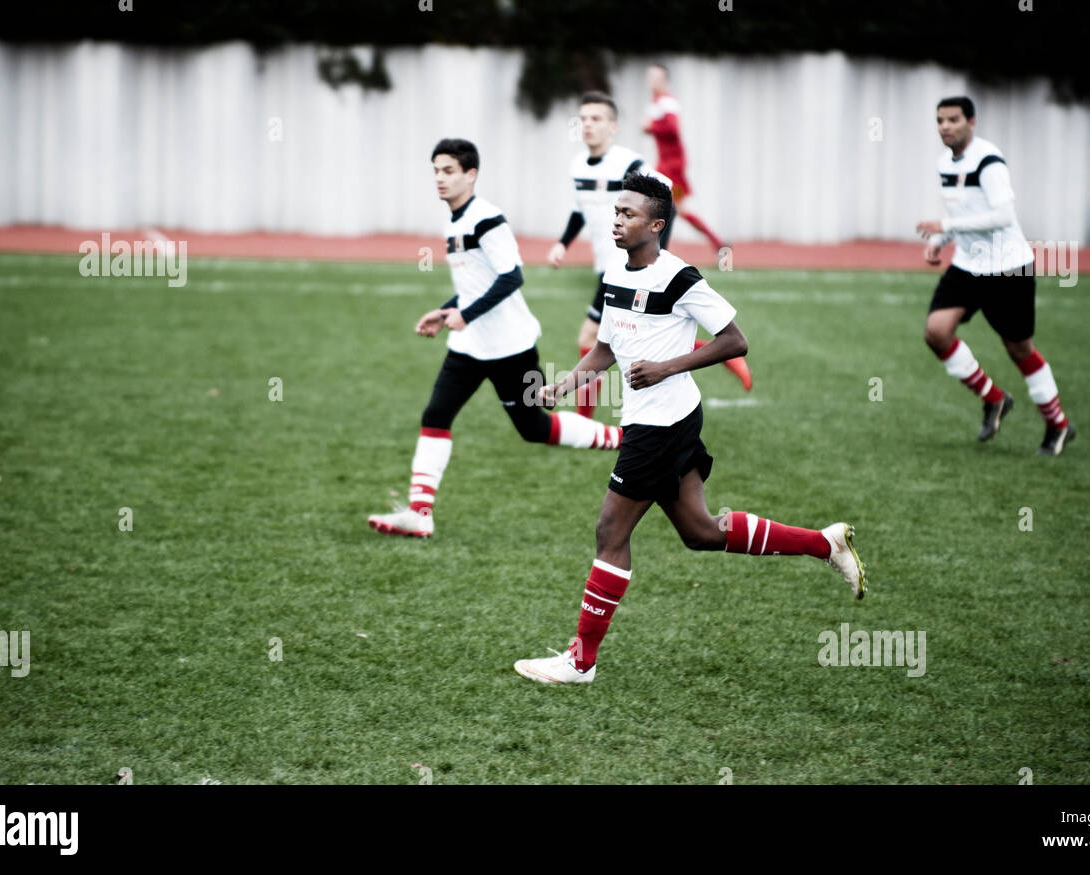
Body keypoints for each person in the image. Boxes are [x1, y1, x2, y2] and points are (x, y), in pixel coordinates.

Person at [514, 173, 865, 685]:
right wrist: (566, 384)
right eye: (616, 211)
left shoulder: (680, 278)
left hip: (661, 424)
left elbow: (735, 341)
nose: (617, 220)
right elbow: (608, 347)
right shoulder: (615, 272)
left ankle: (580, 662)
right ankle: (824, 544)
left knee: (610, 531)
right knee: (700, 532)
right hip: (659, 420)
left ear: (656, 225)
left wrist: (665, 367)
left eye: (629, 214)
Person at [367, 139, 622, 539]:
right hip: (469, 347)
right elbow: (474, 284)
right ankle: (420, 512)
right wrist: (445, 311)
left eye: (449, 170)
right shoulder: (453, 222)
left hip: (509, 346)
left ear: (471, 175)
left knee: (534, 427)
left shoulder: (487, 218)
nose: (440, 178)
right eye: (436, 170)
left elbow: (511, 276)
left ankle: (625, 439)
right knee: (435, 416)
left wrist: (465, 314)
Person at [548, 92, 750, 419]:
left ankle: (584, 421)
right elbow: (577, 210)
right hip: (609, 267)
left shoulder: (630, 164)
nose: (588, 125)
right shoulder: (577, 166)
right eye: (583, 118)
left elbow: (664, 199)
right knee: (628, 340)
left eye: (596, 118)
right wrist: (562, 243)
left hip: (626, 268)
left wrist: (656, 258)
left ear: (613, 127)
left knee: (594, 337)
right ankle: (722, 355)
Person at [916, 96, 1075, 456]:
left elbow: (1003, 215)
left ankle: (1058, 424)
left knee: (1019, 349)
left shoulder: (989, 161)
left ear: (971, 122)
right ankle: (994, 398)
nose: (945, 126)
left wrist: (946, 226)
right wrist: (941, 240)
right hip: (968, 266)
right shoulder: (945, 163)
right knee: (936, 332)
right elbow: (966, 212)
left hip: (1007, 267)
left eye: (953, 119)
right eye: (940, 120)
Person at [642, 63, 728, 258]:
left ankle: (659, 252)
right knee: (676, 208)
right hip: (667, 163)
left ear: (664, 80)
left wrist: (651, 126)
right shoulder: (657, 102)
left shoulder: (666, 102)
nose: (651, 81)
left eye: (656, 77)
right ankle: (718, 243)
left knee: (667, 205)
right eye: (650, 76)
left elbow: (672, 128)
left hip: (672, 165)